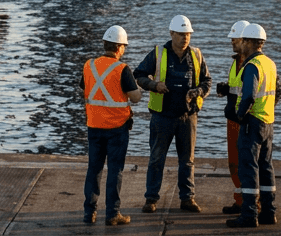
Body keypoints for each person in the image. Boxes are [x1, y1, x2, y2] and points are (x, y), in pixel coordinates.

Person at [134, 14, 211, 214]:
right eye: (180, 34)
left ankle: (187, 198)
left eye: (187, 34)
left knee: (187, 160)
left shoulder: (196, 55)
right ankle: (151, 199)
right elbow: (139, 75)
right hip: (162, 116)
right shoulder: (158, 53)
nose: (185, 38)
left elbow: (207, 81)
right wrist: (154, 85)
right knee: (156, 158)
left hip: (188, 117)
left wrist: (198, 92)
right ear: (171, 33)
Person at [80, 24, 144, 226]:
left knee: (94, 169)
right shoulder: (122, 69)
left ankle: (89, 213)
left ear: (105, 44)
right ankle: (112, 214)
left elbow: (85, 87)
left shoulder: (88, 65)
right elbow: (135, 98)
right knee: (115, 171)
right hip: (117, 128)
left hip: (94, 126)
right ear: (119, 48)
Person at [227, 24, 277, 228]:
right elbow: (278, 91)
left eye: (243, 40)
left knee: (248, 168)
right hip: (268, 121)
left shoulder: (251, 66)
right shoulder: (270, 64)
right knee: (266, 167)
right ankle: (269, 212)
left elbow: (248, 96)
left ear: (248, 42)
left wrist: (239, 116)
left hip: (252, 123)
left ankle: (249, 215)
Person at [215, 21, 251, 214]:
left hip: (245, 121)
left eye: (235, 39)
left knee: (247, 162)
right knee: (234, 162)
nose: (231, 42)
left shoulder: (253, 63)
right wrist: (226, 89)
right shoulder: (236, 62)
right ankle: (240, 201)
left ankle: (252, 203)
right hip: (233, 121)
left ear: (245, 40)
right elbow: (238, 88)